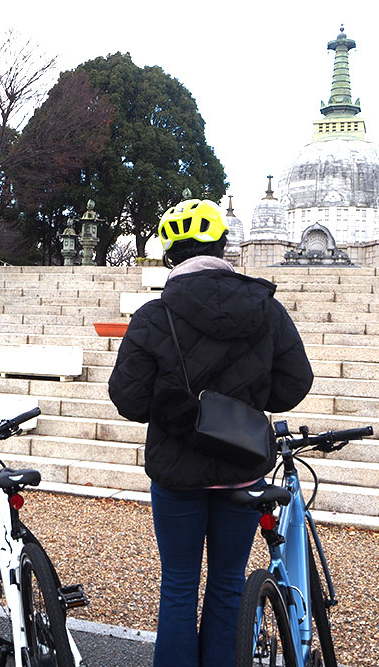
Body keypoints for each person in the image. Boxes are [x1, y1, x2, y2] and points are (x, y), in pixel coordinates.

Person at [107, 198, 314, 667]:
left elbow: (129, 399)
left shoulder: (154, 315)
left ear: (171, 253)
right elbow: (294, 383)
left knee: (178, 585)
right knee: (228, 583)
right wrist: (244, 401)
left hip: (177, 472)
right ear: (223, 245)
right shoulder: (266, 308)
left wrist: (179, 405)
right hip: (243, 466)